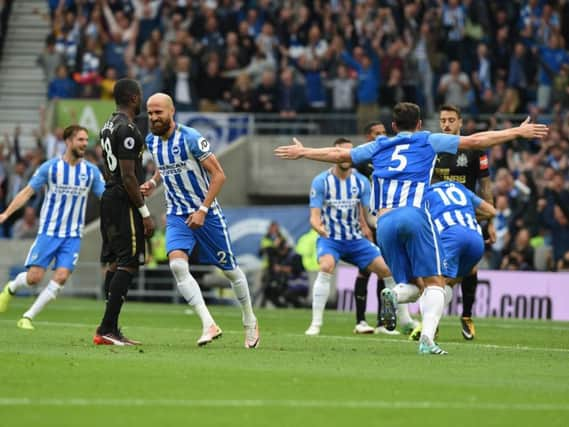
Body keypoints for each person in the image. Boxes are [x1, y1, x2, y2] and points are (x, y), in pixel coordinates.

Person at [275, 102, 548, 354]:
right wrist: (517, 131)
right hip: (414, 217)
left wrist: (303, 152)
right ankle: (427, 340)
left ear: (393, 126)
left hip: (384, 223)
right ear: (419, 124)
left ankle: (392, 294)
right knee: (436, 284)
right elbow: (476, 141)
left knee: (408, 284)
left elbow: (339, 153)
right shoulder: (427, 140)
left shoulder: (379, 145)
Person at [141, 93, 260, 349]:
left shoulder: (191, 138)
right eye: (150, 113)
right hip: (176, 214)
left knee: (230, 271)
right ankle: (209, 323)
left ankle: (249, 319)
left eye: (158, 112)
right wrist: (153, 182)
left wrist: (203, 209)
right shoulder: (151, 141)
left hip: (207, 215)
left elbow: (219, 175)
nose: (153, 117)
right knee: (177, 267)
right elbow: (164, 165)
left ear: (171, 112)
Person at [0, 125, 105, 329]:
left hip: (73, 235)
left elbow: (106, 197)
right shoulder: (50, 167)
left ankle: (27, 317)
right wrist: (6, 213)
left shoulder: (91, 172)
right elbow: (27, 193)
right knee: (34, 278)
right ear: (68, 141)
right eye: (80, 140)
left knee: (62, 276)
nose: (85, 144)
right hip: (49, 232)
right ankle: (11, 288)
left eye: (86, 140)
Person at [304, 137, 394, 336]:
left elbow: (369, 214)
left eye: (349, 154)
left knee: (387, 270)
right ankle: (315, 324)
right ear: (335, 154)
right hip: (331, 239)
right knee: (326, 266)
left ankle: (390, 322)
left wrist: (382, 223)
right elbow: (314, 217)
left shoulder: (361, 182)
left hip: (356, 240)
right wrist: (319, 229)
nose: (345, 158)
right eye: (342, 153)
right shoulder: (321, 181)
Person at [94, 78, 155, 346]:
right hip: (122, 198)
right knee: (128, 261)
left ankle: (111, 328)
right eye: (140, 96)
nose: (141, 100)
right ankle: (107, 328)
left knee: (115, 262)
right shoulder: (128, 129)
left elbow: (112, 169)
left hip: (109, 195)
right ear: (133, 98)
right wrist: (144, 212)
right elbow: (129, 176)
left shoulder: (107, 125)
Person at [433, 104, 495, 340]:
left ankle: (466, 316)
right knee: (440, 270)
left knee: (471, 268)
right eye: (443, 120)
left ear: (460, 122)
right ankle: (433, 319)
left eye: (451, 120)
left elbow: (486, 186)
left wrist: (490, 222)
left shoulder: (474, 150)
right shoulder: (433, 150)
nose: (446, 124)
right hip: (440, 219)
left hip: (469, 216)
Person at [352, 121, 418, 336]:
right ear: (367, 136)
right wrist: (363, 224)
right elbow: (356, 197)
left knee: (385, 272)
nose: (381, 136)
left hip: (385, 218)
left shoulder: (389, 156)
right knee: (365, 271)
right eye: (376, 133)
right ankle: (361, 320)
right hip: (369, 222)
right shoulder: (361, 163)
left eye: (383, 132)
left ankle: (382, 322)